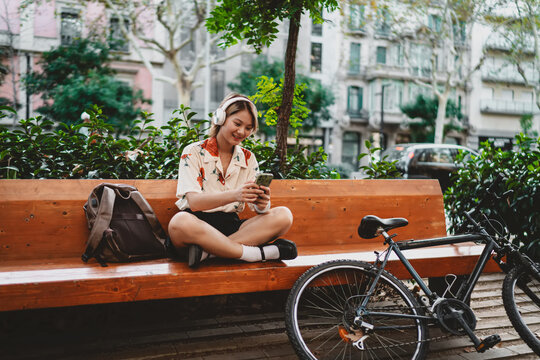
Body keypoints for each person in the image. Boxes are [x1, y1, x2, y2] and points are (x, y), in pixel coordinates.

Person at [167, 93, 296, 268]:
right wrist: (236, 195)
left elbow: (257, 209)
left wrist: (262, 203)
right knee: (179, 222)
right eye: (237, 123)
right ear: (220, 119)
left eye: (248, 128)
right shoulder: (193, 151)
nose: (242, 132)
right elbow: (195, 203)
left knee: (283, 215)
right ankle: (255, 254)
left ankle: (209, 253)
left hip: (232, 228)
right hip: (197, 227)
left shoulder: (249, 158)